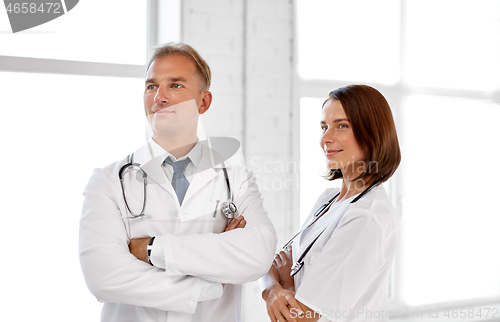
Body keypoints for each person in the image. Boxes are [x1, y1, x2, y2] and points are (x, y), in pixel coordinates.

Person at [79, 42, 277, 322]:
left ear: (203, 102)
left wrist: (150, 249)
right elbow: (104, 276)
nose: (159, 96)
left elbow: (258, 255)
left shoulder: (236, 180)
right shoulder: (108, 181)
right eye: (151, 86)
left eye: (175, 85)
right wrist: (208, 282)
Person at [261, 85, 401, 322]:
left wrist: (278, 287)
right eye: (324, 127)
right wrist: (276, 288)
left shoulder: (367, 217)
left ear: (372, 132)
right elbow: (273, 263)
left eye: (342, 126)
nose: (325, 138)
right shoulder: (328, 199)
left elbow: (297, 317)